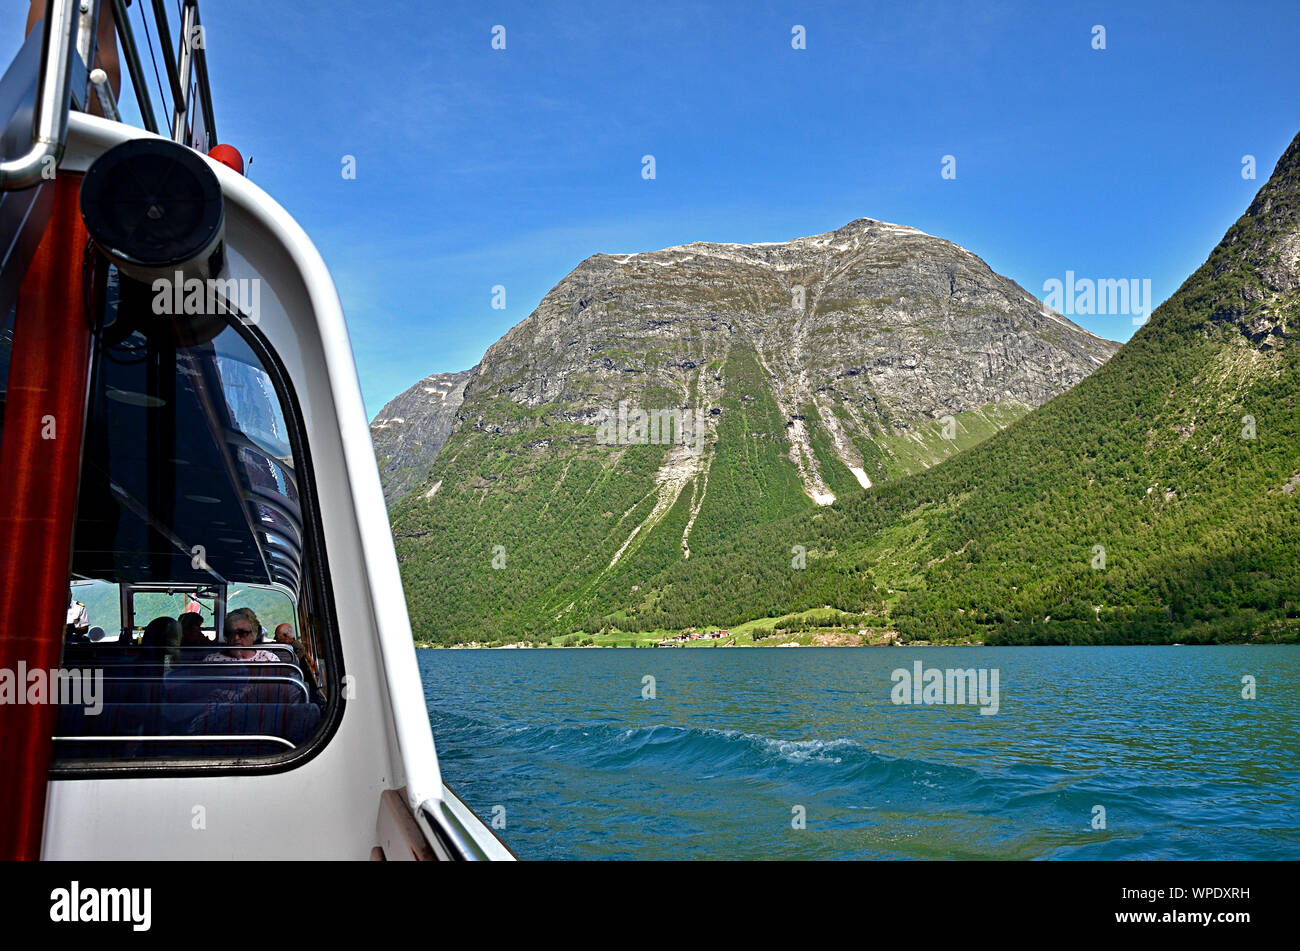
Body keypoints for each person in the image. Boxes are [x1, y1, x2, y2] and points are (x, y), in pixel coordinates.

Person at [204, 607, 280, 663]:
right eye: (231, 633)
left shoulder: (269, 659)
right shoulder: (211, 660)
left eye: (242, 633)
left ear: (254, 634)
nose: (236, 637)